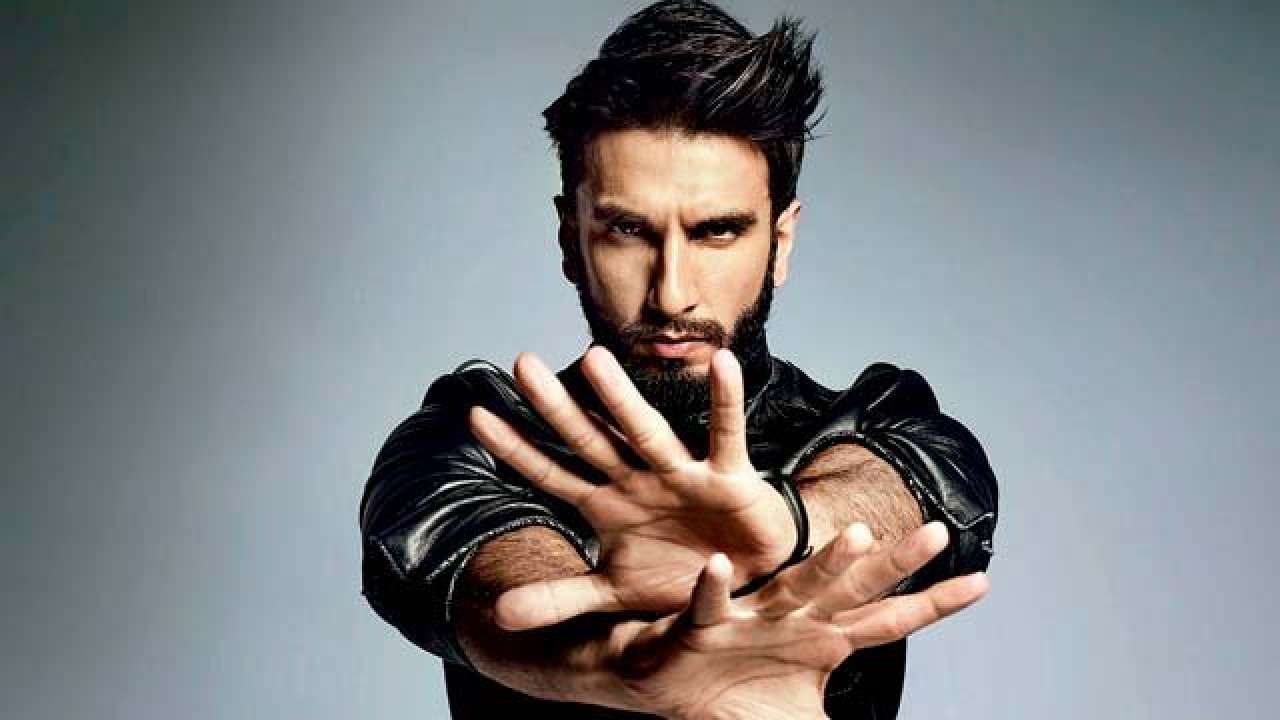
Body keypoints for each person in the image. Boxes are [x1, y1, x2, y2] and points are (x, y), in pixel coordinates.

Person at [359, 2, 999, 717]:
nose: (672, 293)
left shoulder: (886, 422)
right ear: (571, 239)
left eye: (716, 232)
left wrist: (789, 525)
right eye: (628, 231)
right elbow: (467, 565)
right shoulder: (467, 437)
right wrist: (624, 660)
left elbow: (920, 483)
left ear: (779, 242)